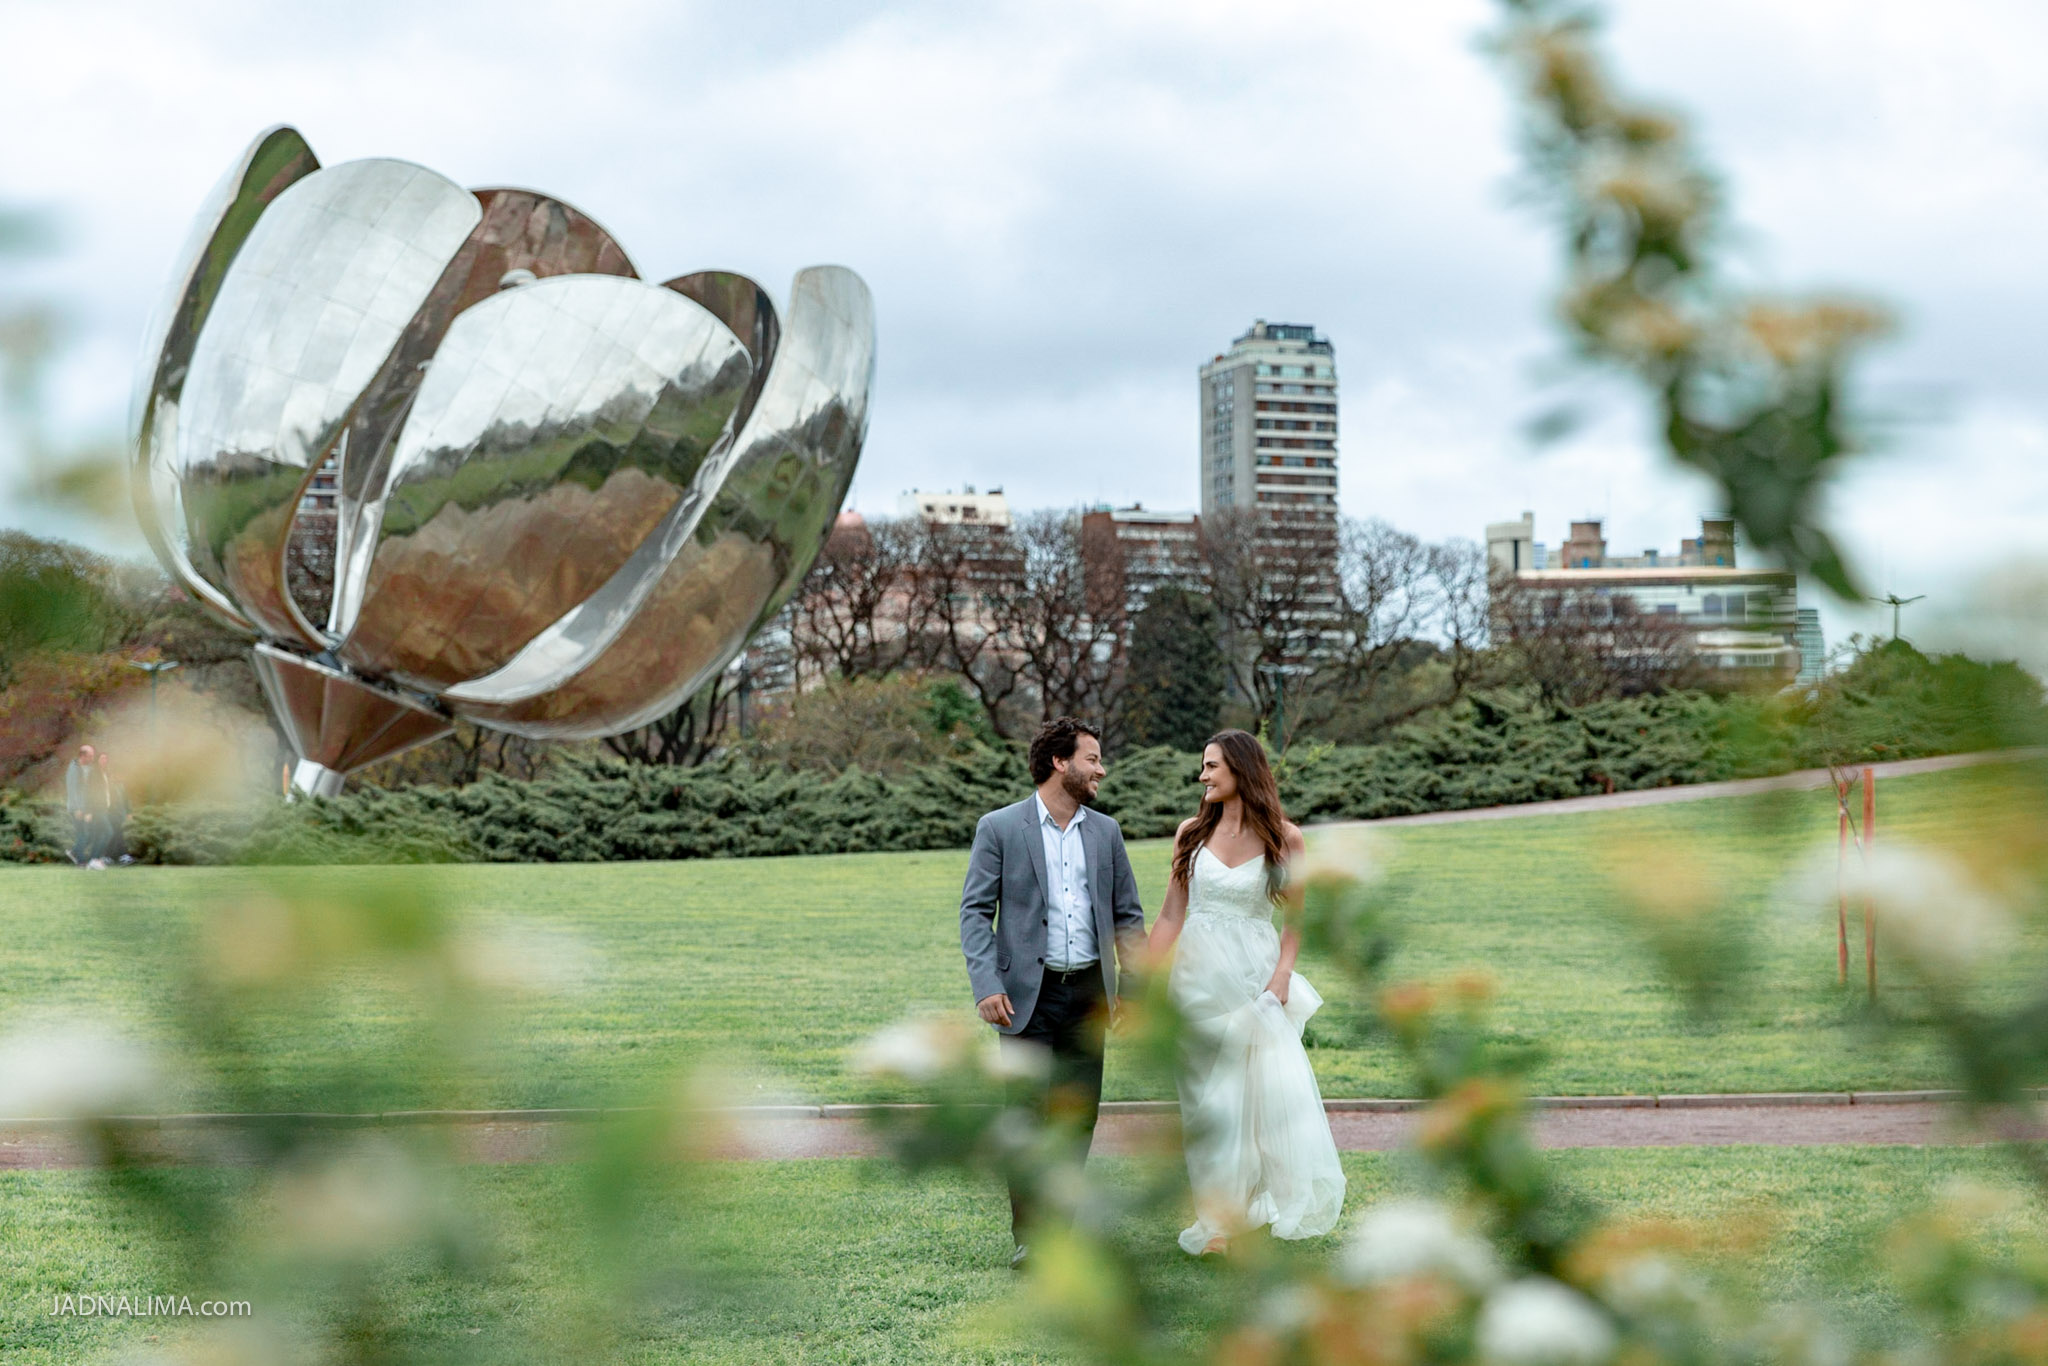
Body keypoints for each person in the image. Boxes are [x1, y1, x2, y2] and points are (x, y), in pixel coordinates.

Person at [1144, 729, 1345, 1256]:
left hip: (1252, 981)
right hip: (1194, 983)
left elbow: (1297, 919)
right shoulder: (1190, 833)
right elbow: (1170, 914)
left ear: (1240, 769)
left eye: (1211, 766)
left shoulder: (1285, 837)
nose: (1202, 776)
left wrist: (1282, 975)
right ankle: (1215, 1223)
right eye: (1202, 766)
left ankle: (1242, 1208)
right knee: (1206, 1103)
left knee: (1248, 1099)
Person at [959, 716, 1146, 1270]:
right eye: (1092, 758)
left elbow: (1128, 917)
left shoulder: (1106, 832)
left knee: (1078, 1115)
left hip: (1089, 993)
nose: (1101, 769)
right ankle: (1030, 1237)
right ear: (1060, 762)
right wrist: (986, 983)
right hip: (1022, 996)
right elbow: (974, 912)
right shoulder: (999, 827)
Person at [62, 744, 99, 866]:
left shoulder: (88, 768)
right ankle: (81, 860)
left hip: (86, 806)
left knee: (89, 833)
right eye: (90, 756)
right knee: (83, 833)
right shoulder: (74, 769)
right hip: (76, 807)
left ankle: (74, 852)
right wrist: (77, 808)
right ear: (82, 756)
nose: (92, 758)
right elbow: (71, 789)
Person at [94, 751, 130, 865]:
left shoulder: (114, 778)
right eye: (102, 758)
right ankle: (117, 856)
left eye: (106, 758)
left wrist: (128, 811)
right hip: (103, 811)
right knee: (111, 832)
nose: (105, 761)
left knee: (116, 832)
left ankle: (113, 856)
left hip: (116, 811)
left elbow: (124, 796)